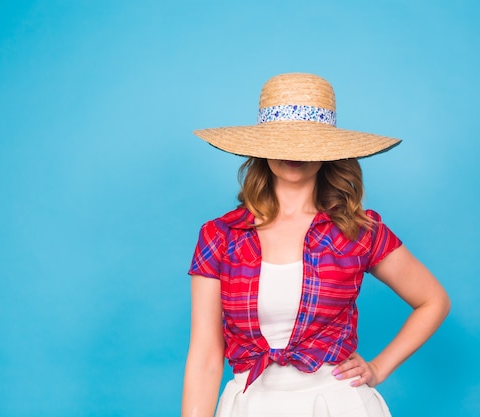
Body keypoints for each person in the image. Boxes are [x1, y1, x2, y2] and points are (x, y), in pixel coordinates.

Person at [182, 73, 450, 417]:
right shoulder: (219, 236)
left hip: (339, 405)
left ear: (330, 152)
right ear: (261, 148)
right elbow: (204, 356)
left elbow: (433, 301)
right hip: (249, 406)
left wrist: (379, 368)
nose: (294, 153)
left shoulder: (358, 230)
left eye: (307, 142)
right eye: (283, 141)